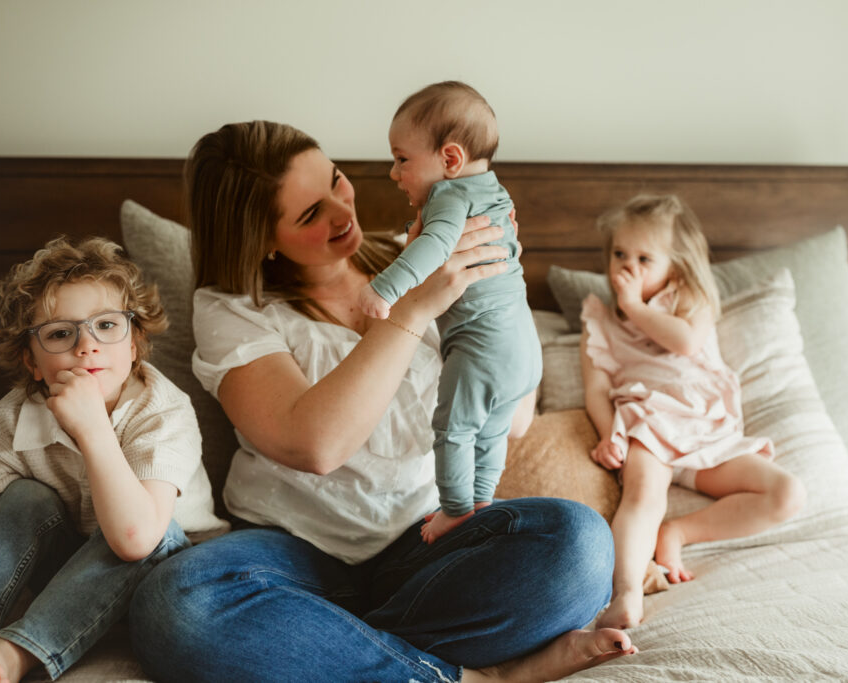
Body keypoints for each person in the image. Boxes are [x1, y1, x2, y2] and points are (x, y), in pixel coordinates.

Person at [128, 120, 637, 683]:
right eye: (310, 214)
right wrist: (412, 311)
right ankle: (463, 675)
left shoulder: (420, 253)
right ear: (260, 239)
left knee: (580, 544)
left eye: (335, 181)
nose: (342, 212)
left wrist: (502, 291)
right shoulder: (232, 308)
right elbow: (317, 447)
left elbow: (513, 420)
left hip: (428, 545)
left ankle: (332, 648)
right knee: (175, 605)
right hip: (294, 554)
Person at [0, 237, 224, 683]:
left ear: (134, 344)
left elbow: (135, 540)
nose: (86, 345)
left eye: (106, 326)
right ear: (32, 362)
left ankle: (15, 653)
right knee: (24, 496)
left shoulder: (163, 412)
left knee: (153, 533)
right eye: (60, 333)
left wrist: (93, 427)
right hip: (67, 576)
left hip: (163, 575)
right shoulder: (12, 421)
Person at [580, 194, 806, 630]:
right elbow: (597, 389)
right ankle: (626, 592)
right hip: (648, 425)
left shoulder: (693, 299)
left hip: (708, 433)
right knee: (642, 496)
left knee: (787, 493)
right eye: (619, 254)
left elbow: (684, 342)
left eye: (645, 259)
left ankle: (679, 532)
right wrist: (611, 435)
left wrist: (635, 306)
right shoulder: (599, 320)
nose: (627, 267)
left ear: (678, 265)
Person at [358, 81, 542, 543]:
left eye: (402, 159)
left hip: (482, 347)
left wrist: (384, 289)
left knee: (453, 430)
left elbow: (434, 248)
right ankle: (480, 501)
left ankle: (457, 509)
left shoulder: (450, 196)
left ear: (451, 159)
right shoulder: (494, 192)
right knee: (490, 434)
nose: (394, 174)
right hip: (523, 348)